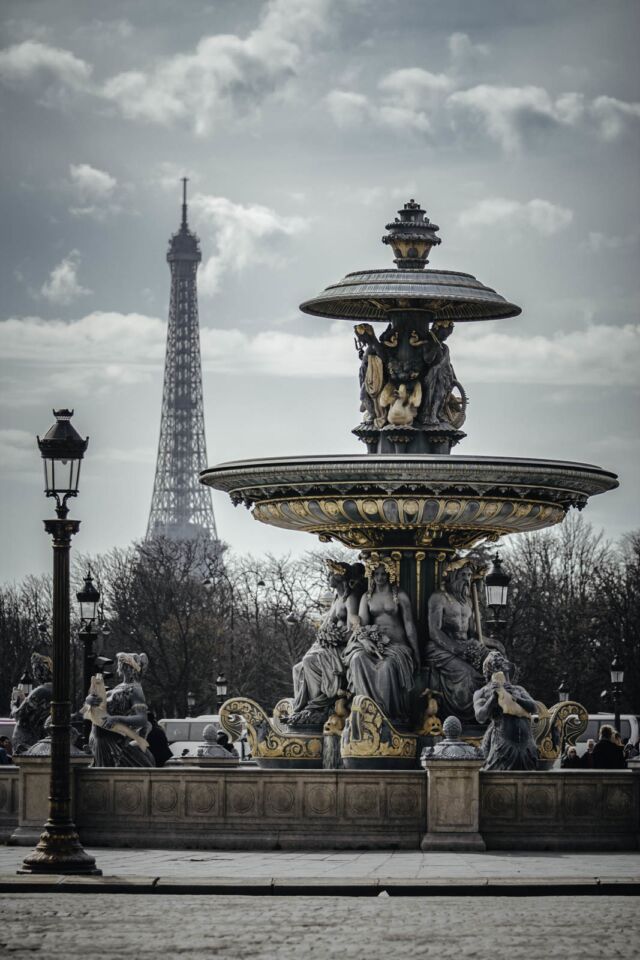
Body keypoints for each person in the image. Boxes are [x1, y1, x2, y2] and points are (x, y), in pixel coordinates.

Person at [289, 560, 365, 726]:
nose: (329, 575)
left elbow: (352, 627)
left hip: (342, 644)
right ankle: (302, 708)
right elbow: (325, 625)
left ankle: (317, 707)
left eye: (333, 572)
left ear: (342, 575)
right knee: (297, 668)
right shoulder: (337, 598)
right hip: (331, 643)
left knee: (310, 662)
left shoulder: (350, 597)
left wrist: (335, 638)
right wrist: (324, 636)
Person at [344, 554, 419, 722]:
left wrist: (416, 653)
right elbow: (361, 624)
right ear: (371, 574)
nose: (380, 577)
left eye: (383, 574)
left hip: (396, 644)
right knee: (357, 659)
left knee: (387, 667)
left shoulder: (400, 596)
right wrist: (364, 640)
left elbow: (409, 625)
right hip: (373, 643)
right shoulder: (367, 597)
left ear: (390, 575)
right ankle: (365, 711)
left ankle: (387, 715)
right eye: (376, 574)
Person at [425, 559, 486, 722]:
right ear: (452, 576)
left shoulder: (468, 601)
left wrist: (493, 645)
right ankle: (464, 721)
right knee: (468, 675)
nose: (466, 579)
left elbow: (473, 633)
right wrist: (456, 649)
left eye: (468, 575)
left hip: (465, 646)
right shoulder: (439, 598)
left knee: (494, 664)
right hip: (441, 648)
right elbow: (434, 631)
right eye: (463, 575)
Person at [84, 651, 154, 767]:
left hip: (112, 742)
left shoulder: (135, 689)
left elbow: (142, 718)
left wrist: (115, 718)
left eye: (123, 665)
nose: (120, 667)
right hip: (99, 739)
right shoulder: (119, 687)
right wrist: (89, 700)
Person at [473, 650, 538, 770]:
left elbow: (534, 707)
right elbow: (480, 717)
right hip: (503, 745)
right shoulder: (482, 692)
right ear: (488, 671)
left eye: (502, 666)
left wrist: (516, 697)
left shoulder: (518, 689)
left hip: (526, 744)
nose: (501, 671)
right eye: (496, 667)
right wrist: (493, 698)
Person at [10, 653, 53, 755]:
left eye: (35, 670)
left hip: (26, 741)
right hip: (40, 739)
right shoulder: (54, 690)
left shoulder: (40, 691)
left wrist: (13, 703)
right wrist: (24, 699)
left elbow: (18, 715)